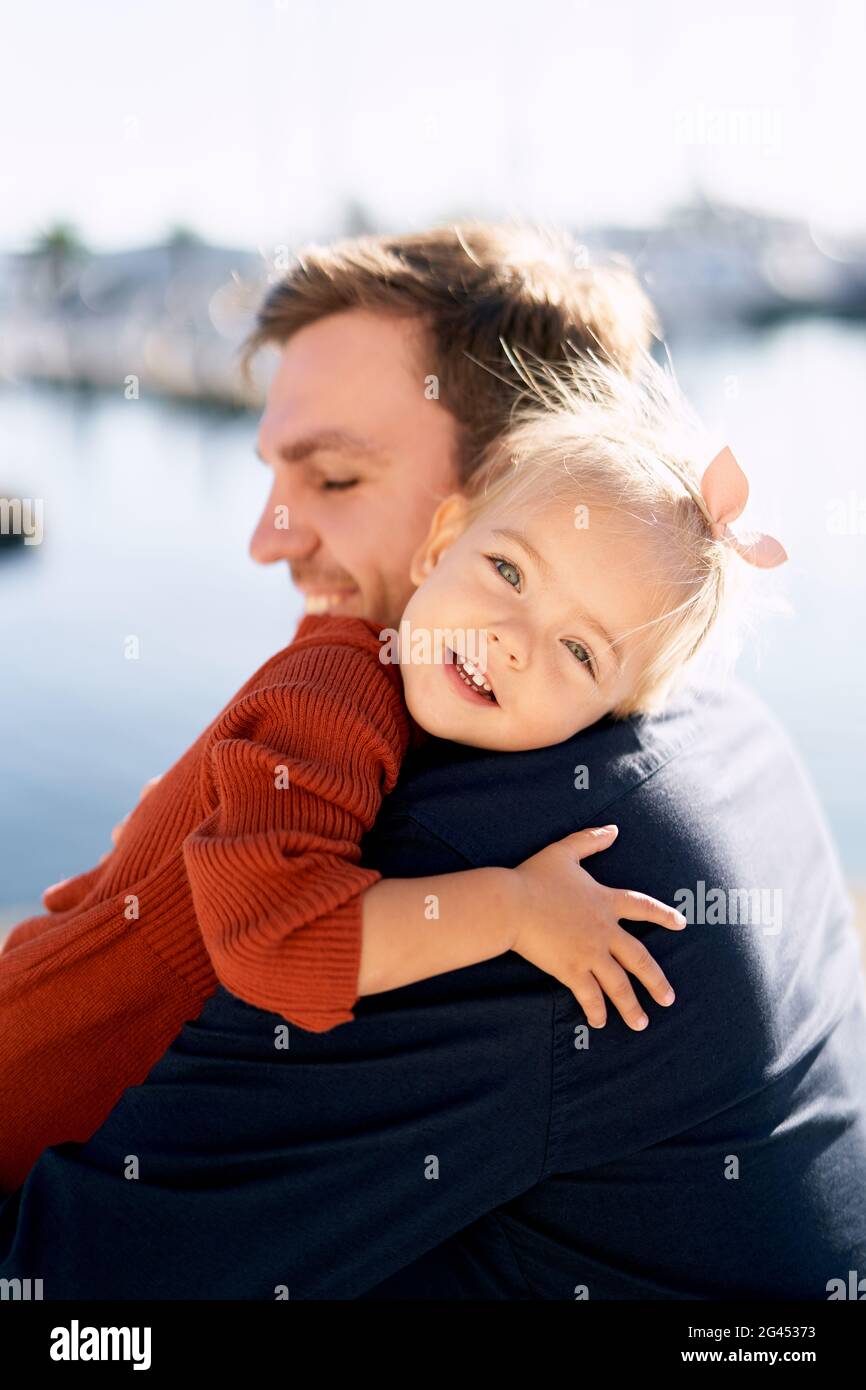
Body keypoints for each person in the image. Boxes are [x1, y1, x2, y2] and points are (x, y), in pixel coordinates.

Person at [1, 223, 864, 1299]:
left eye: (336, 475)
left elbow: (81, 1288)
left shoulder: (498, 862)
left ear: (496, 477)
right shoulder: (714, 717)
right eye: (273, 469)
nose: (267, 539)